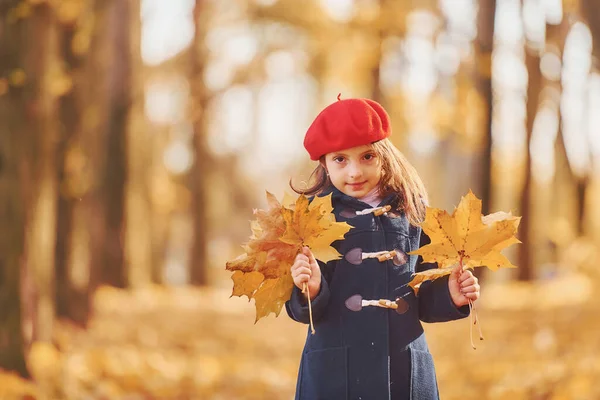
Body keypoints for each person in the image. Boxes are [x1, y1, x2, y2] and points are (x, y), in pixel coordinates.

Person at [285, 96, 480, 400]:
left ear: (384, 156)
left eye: (366, 157)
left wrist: (450, 295)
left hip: (402, 368)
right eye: (340, 159)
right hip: (336, 372)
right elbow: (302, 309)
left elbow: (422, 296)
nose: (355, 172)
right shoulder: (311, 219)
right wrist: (310, 289)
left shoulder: (412, 214)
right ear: (323, 162)